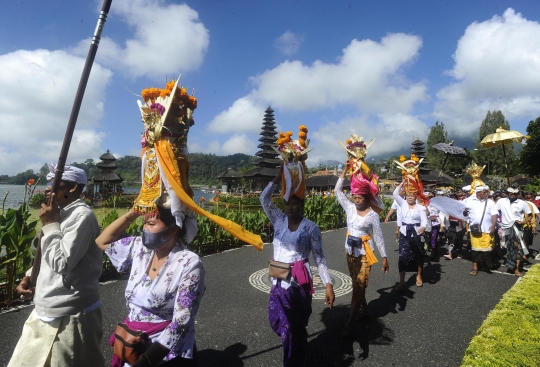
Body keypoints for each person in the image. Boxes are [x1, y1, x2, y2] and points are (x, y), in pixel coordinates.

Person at [9, 165, 105, 367]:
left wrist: (50, 225)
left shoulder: (82, 216)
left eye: (54, 182)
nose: (47, 188)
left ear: (72, 188)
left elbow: (61, 263)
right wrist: (30, 276)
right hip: (45, 306)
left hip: (71, 313)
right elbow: (47, 257)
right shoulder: (57, 213)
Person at [96, 206, 205, 367]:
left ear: (173, 229)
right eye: (144, 223)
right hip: (132, 342)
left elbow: (181, 321)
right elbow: (102, 241)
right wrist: (133, 213)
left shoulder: (189, 262)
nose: (145, 228)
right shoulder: (141, 248)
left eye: (151, 224)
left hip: (164, 351)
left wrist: (145, 361)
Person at [260, 165, 335, 366]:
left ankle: (294, 360)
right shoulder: (278, 220)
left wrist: (328, 284)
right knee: (276, 321)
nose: (289, 207)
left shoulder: (311, 228)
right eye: (286, 203)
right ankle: (294, 346)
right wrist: (276, 179)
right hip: (278, 278)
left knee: (294, 327)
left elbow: (319, 257)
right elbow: (264, 200)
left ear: (302, 205)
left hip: (297, 284)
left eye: (294, 203)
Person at [335, 160, 389, 336]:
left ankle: (349, 323)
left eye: (359, 197)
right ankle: (365, 310)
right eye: (354, 197)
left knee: (358, 287)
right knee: (357, 285)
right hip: (350, 252)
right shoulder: (350, 208)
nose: (356, 200)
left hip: (365, 253)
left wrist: (385, 257)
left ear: (367, 198)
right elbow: (337, 192)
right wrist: (344, 171)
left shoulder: (373, 215)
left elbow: (378, 236)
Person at [393, 182, 428, 290]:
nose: (410, 197)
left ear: (415, 197)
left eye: (412, 195)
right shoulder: (402, 204)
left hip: (416, 234)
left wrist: (423, 227)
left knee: (418, 256)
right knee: (402, 256)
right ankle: (402, 281)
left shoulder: (420, 207)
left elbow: (424, 220)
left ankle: (419, 276)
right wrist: (403, 183)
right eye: (408, 195)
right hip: (404, 233)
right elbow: (395, 193)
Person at [496, 188, 532, 276]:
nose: (512, 195)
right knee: (508, 248)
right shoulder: (501, 201)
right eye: (510, 193)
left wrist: (524, 222)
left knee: (517, 248)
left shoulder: (522, 203)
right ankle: (511, 265)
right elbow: (495, 211)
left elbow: (530, 215)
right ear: (507, 193)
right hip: (505, 227)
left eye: (514, 194)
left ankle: (516, 269)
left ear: (517, 194)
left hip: (516, 227)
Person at [463, 186, 498, 275]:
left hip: (487, 229)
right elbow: (464, 213)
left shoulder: (490, 202)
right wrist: (465, 211)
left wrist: (493, 225)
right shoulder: (469, 201)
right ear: (478, 193)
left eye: (487, 192)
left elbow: (494, 214)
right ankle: (475, 267)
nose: (486, 194)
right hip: (475, 229)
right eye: (484, 192)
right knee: (475, 249)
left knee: (487, 248)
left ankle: (485, 264)